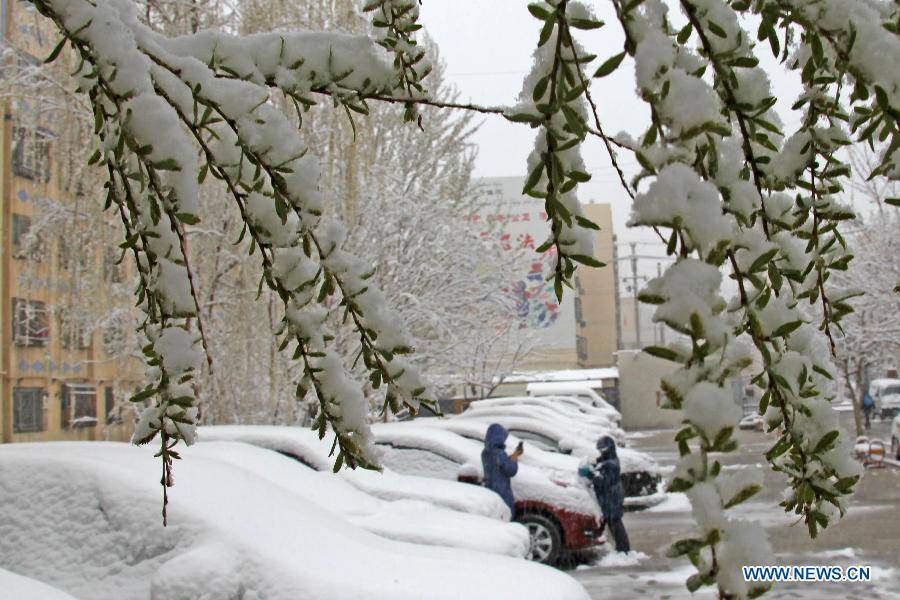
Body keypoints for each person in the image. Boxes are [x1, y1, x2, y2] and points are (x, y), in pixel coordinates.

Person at [579, 435, 630, 553]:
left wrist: (590, 475)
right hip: (610, 497)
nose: (601, 453)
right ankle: (621, 547)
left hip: (611, 498)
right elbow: (601, 463)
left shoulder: (611, 465)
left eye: (602, 450)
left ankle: (624, 549)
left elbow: (603, 482)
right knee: (612, 522)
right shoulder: (608, 460)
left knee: (615, 523)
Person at [481, 423, 522, 517]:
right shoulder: (498, 453)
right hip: (501, 490)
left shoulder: (486, 452)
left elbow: (499, 465)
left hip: (490, 488)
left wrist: (512, 456)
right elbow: (511, 470)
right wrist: (515, 456)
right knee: (506, 514)